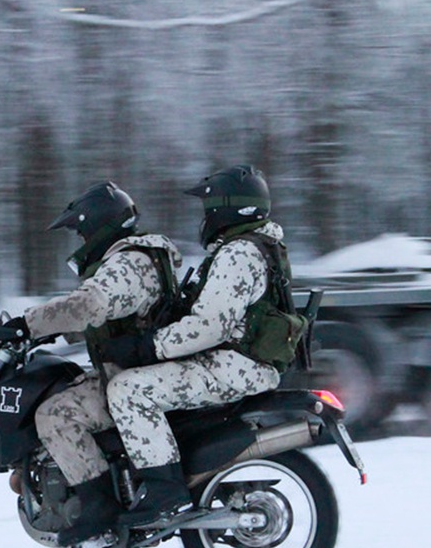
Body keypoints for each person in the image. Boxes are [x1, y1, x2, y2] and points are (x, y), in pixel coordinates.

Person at [100, 164, 291, 526]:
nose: (205, 217)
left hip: (233, 365)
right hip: (242, 361)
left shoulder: (238, 254)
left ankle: (165, 491)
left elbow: (209, 327)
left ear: (227, 208)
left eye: (209, 208)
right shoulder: (262, 245)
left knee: (127, 389)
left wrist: (148, 346)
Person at [5, 181, 181, 547]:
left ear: (99, 225)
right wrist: (54, 331)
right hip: (134, 370)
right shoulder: (136, 257)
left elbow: (90, 306)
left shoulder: (129, 261)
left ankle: (97, 506)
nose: (81, 241)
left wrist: (27, 324)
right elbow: (113, 317)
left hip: (134, 377)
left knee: (55, 415)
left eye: (82, 231)